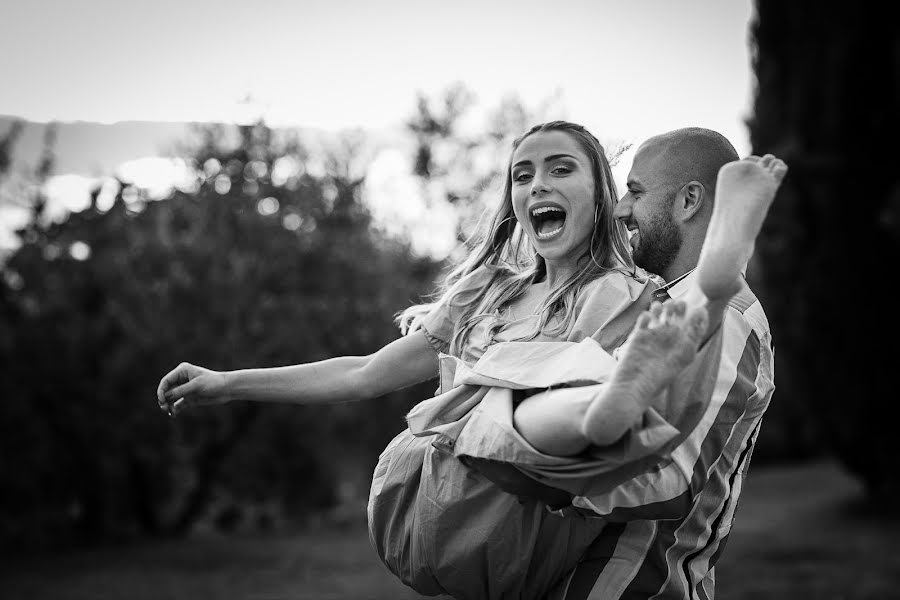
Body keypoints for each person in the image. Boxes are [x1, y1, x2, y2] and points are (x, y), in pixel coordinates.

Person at [157, 122, 785, 599]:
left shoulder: (629, 298)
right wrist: (227, 382)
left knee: (522, 408)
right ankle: (563, 406)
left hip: (570, 523)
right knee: (504, 407)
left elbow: (666, 476)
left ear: (600, 197)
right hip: (473, 508)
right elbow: (363, 372)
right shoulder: (486, 294)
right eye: (521, 175)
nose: (536, 184)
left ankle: (577, 405)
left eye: (563, 170)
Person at [549, 128, 783, 600]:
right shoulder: (655, 305)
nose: (620, 208)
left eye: (635, 192)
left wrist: (534, 473)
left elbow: (674, 481)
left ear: (688, 201)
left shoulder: (729, 320)